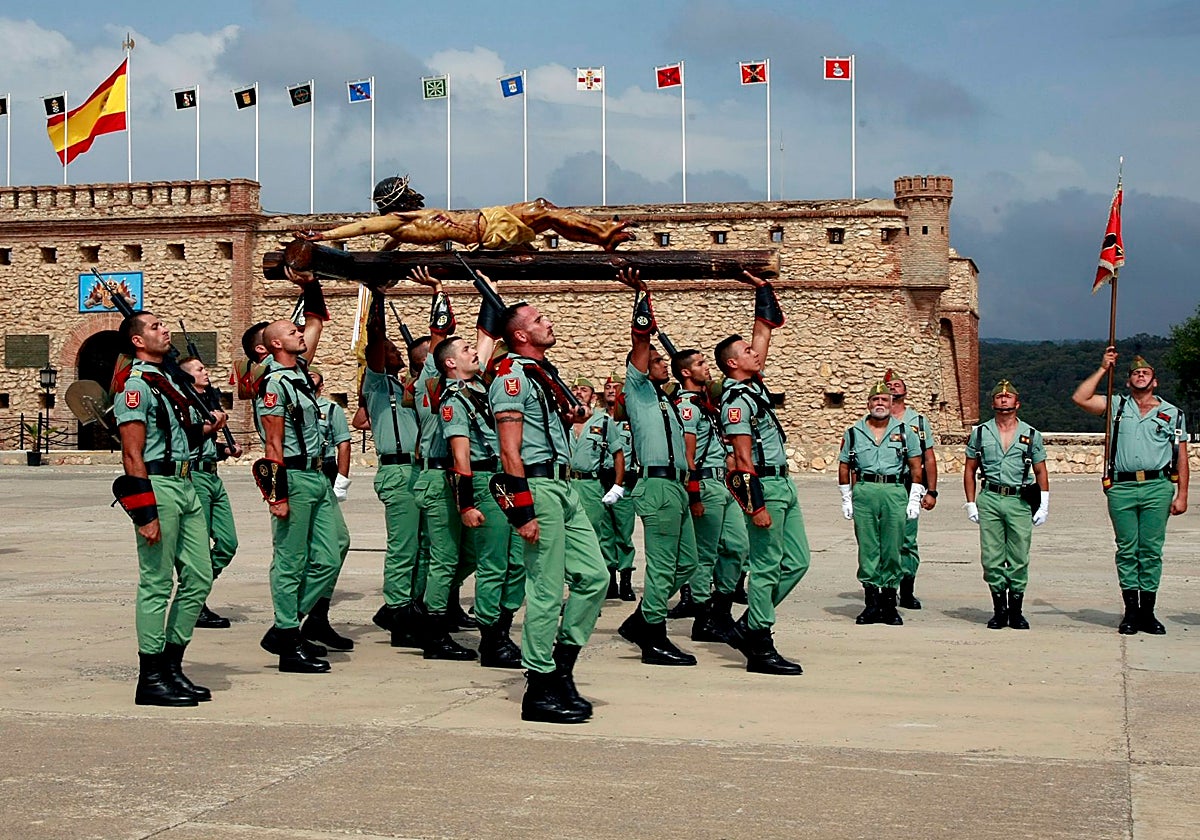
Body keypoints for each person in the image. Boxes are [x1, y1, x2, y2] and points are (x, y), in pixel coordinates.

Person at [489, 299, 608, 723]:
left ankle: (561, 667)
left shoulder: (542, 376)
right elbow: (509, 449)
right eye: (539, 320)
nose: (549, 322)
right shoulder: (512, 380)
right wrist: (522, 511)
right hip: (537, 486)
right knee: (545, 587)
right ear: (520, 335)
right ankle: (539, 687)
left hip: (565, 483)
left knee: (595, 576)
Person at [112, 313, 225, 706]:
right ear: (138, 342)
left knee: (199, 576)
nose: (166, 330)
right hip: (158, 486)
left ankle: (172, 665)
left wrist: (211, 427)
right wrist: (145, 513)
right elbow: (132, 453)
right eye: (156, 326)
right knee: (157, 581)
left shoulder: (172, 384)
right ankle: (151, 676)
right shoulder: (136, 388)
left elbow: (187, 434)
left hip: (186, 482)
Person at [715, 272, 807, 675]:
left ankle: (751, 623)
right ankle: (760, 643)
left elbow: (763, 336)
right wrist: (754, 505)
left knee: (798, 561)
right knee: (768, 565)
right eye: (746, 351)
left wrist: (762, 292)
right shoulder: (735, 400)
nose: (756, 352)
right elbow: (740, 458)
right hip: (763, 483)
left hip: (783, 480)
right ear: (733, 363)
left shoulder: (753, 386)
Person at [611, 269, 700, 666]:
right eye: (657, 361)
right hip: (656, 486)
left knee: (688, 563)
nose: (662, 365)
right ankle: (654, 638)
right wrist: (642, 296)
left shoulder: (666, 400)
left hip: (677, 486)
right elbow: (640, 340)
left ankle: (642, 621)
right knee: (664, 565)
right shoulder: (638, 390)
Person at [252, 320, 350, 673]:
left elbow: (314, 325)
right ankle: (289, 639)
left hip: (317, 473)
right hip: (292, 475)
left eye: (298, 331)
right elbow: (273, 443)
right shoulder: (275, 384)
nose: (300, 335)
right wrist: (276, 495)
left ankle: (285, 626)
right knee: (290, 561)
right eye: (291, 333)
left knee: (334, 547)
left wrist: (310, 288)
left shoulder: (301, 374)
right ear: (276, 344)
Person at [1072, 350, 1188, 634]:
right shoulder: (1117, 406)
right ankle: (1130, 612)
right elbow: (1081, 398)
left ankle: (1147, 612)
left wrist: (1182, 494)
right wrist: (1102, 369)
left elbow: (1181, 455)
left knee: (1150, 550)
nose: (1140, 375)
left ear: (1155, 381)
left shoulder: (1172, 413)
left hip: (1157, 486)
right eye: (1135, 373)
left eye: (1146, 373)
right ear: (1127, 382)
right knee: (1126, 550)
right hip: (1122, 486)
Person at [435, 308, 526, 669]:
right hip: (486, 483)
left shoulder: (482, 390)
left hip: (508, 479)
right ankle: (491, 637)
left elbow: (489, 343)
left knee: (517, 561)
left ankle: (503, 626)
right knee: (493, 563)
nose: (476, 352)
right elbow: (460, 457)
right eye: (467, 350)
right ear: (451, 364)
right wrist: (465, 504)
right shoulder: (454, 400)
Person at [409, 268, 478, 660]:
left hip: (454, 479)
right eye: (463, 350)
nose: (471, 352)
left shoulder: (466, 389)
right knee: (445, 557)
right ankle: (433, 631)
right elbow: (440, 339)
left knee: (465, 556)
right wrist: (439, 292)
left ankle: (433, 607)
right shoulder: (433, 386)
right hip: (438, 478)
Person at [297, 175, 635, 252]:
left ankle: (600, 237)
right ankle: (602, 232)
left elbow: (387, 246)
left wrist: (383, 269)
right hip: (486, 226)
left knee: (547, 215)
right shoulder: (398, 220)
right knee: (543, 208)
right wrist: (322, 236)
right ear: (399, 199)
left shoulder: (399, 231)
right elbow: (363, 227)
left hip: (487, 225)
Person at [359, 288, 425, 648]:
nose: (397, 355)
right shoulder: (376, 384)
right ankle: (398, 609)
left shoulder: (407, 387)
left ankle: (411, 604)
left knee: (422, 546)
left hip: (417, 469)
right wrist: (379, 301)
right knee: (403, 546)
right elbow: (373, 345)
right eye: (392, 351)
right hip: (397, 470)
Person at [963, 380, 1049, 630]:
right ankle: (999, 609)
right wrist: (970, 503)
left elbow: (1041, 470)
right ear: (992, 403)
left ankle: (1016, 610)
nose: (1003, 399)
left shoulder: (1031, 434)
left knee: (1019, 556)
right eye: (999, 397)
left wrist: (1044, 504)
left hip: (1019, 499)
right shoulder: (980, 433)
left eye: (1008, 396)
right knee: (991, 557)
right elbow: (970, 470)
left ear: (1017, 403)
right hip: (990, 497)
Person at [837, 383, 925, 626]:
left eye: (884, 400)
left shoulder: (906, 432)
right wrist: (846, 496)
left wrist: (915, 496)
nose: (880, 404)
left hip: (894, 490)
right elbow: (845, 465)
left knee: (892, 547)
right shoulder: (854, 432)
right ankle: (871, 603)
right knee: (867, 548)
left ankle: (889, 603)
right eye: (875, 399)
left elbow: (917, 466)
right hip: (864, 490)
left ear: (891, 403)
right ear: (868, 404)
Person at [178, 356, 242, 630]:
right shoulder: (183, 401)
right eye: (199, 369)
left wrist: (225, 450)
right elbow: (188, 437)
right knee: (199, 545)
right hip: (193, 475)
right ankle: (194, 601)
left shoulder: (210, 401)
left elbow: (208, 444)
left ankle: (194, 590)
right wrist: (213, 425)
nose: (206, 372)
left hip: (212, 475)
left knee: (228, 543)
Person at [568, 378, 628, 601]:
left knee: (591, 537)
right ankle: (575, 587)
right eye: (574, 389)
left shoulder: (603, 422)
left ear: (593, 397)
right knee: (565, 538)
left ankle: (593, 590)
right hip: (564, 483)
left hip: (590, 485)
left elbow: (618, 453)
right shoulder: (562, 421)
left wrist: (617, 486)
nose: (578, 392)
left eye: (584, 390)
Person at [885, 371, 938, 609]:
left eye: (897, 385)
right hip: (885, 485)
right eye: (889, 385)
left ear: (905, 392)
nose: (893, 388)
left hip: (910, 485)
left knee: (907, 540)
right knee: (883, 539)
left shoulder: (917, 422)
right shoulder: (876, 419)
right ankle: (885, 589)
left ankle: (906, 590)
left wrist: (932, 491)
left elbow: (929, 457)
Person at [603, 372, 638, 600]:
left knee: (624, 533)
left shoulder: (631, 422)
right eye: (607, 386)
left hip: (624, 482)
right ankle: (610, 580)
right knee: (604, 533)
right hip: (602, 480)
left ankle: (626, 578)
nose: (610, 390)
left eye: (615, 386)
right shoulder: (598, 420)